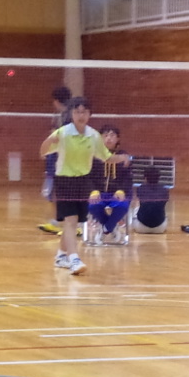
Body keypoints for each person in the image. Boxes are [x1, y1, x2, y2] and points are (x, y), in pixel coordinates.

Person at [40, 97, 130, 275]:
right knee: (71, 221)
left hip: (83, 181)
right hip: (64, 180)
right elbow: (43, 152)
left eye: (84, 112)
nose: (81, 115)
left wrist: (122, 157)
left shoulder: (93, 135)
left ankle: (60, 256)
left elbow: (106, 157)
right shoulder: (63, 133)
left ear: (89, 114)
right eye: (77, 112)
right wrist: (49, 142)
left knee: (74, 222)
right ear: (72, 114)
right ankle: (74, 259)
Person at [87, 125, 133, 242]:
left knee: (122, 206)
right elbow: (87, 177)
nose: (109, 138)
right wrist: (93, 190)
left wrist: (121, 190)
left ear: (118, 139)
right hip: (98, 193)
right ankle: (111, 227)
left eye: (112, 135)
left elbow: (128, 178)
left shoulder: (124, 157)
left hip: (118, 194)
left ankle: (105, 228)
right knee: (93, 206)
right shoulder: (93, 156)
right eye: (105, 135)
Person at [38, 86, 72, 234]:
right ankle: (58, 220)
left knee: (60, 192)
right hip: (59, 158)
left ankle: (72, 223)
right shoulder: (62, 115)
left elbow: (61, 138)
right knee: (55, 192)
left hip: (64, 159)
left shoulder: (68, 116)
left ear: (57, 101)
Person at [134, 166, 169, 233]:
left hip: (140, 228)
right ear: (158, 177)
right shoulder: (164, 190)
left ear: (145, 177)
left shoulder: (140, 188)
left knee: (136, 209)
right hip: (160, 228)